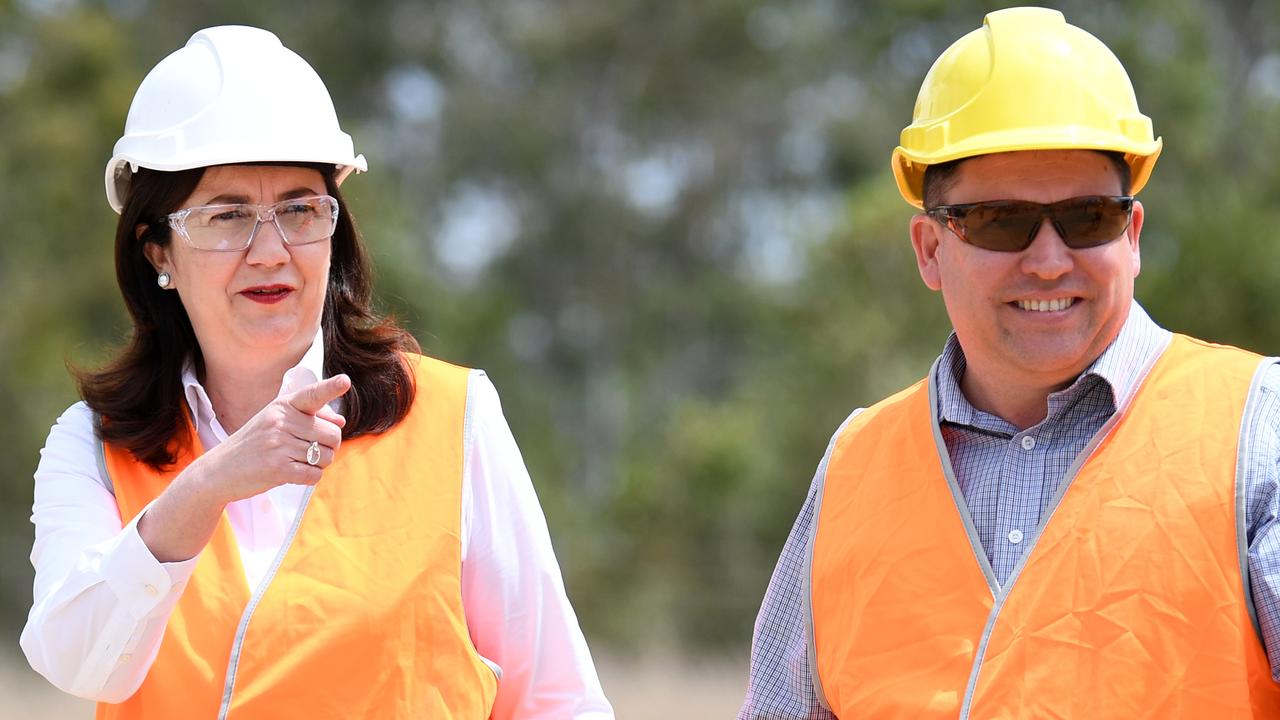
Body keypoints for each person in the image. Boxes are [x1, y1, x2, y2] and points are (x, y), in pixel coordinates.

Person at [21, 25, 613, 719]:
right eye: (226, 215)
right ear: (158, 252)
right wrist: (206, 487)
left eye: (300, 209)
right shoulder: (93, 442)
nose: (271, 250)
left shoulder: (454, 415)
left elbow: (557, 700)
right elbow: (77, 662)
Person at [739, 7, 1280, 718]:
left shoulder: (1257, 430)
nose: (1050, 261)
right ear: (930, 250)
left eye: (1088, 218)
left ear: (1134, 233)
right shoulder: (854, 468)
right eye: (1002, 222)